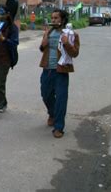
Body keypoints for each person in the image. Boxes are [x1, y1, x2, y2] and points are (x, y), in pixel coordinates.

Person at [39, 9, 80, 138]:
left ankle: (59, 127)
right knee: (46, 95)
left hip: (61, 71)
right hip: (47, 69)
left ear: (62, 20)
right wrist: (43, 42)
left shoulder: (71, 34)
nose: (53, 20)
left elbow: (75, 53)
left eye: (56, 18)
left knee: (61, 99)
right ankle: (52, 113)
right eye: (52, 18)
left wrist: (67, 43)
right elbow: (42, 48)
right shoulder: (49, 32)